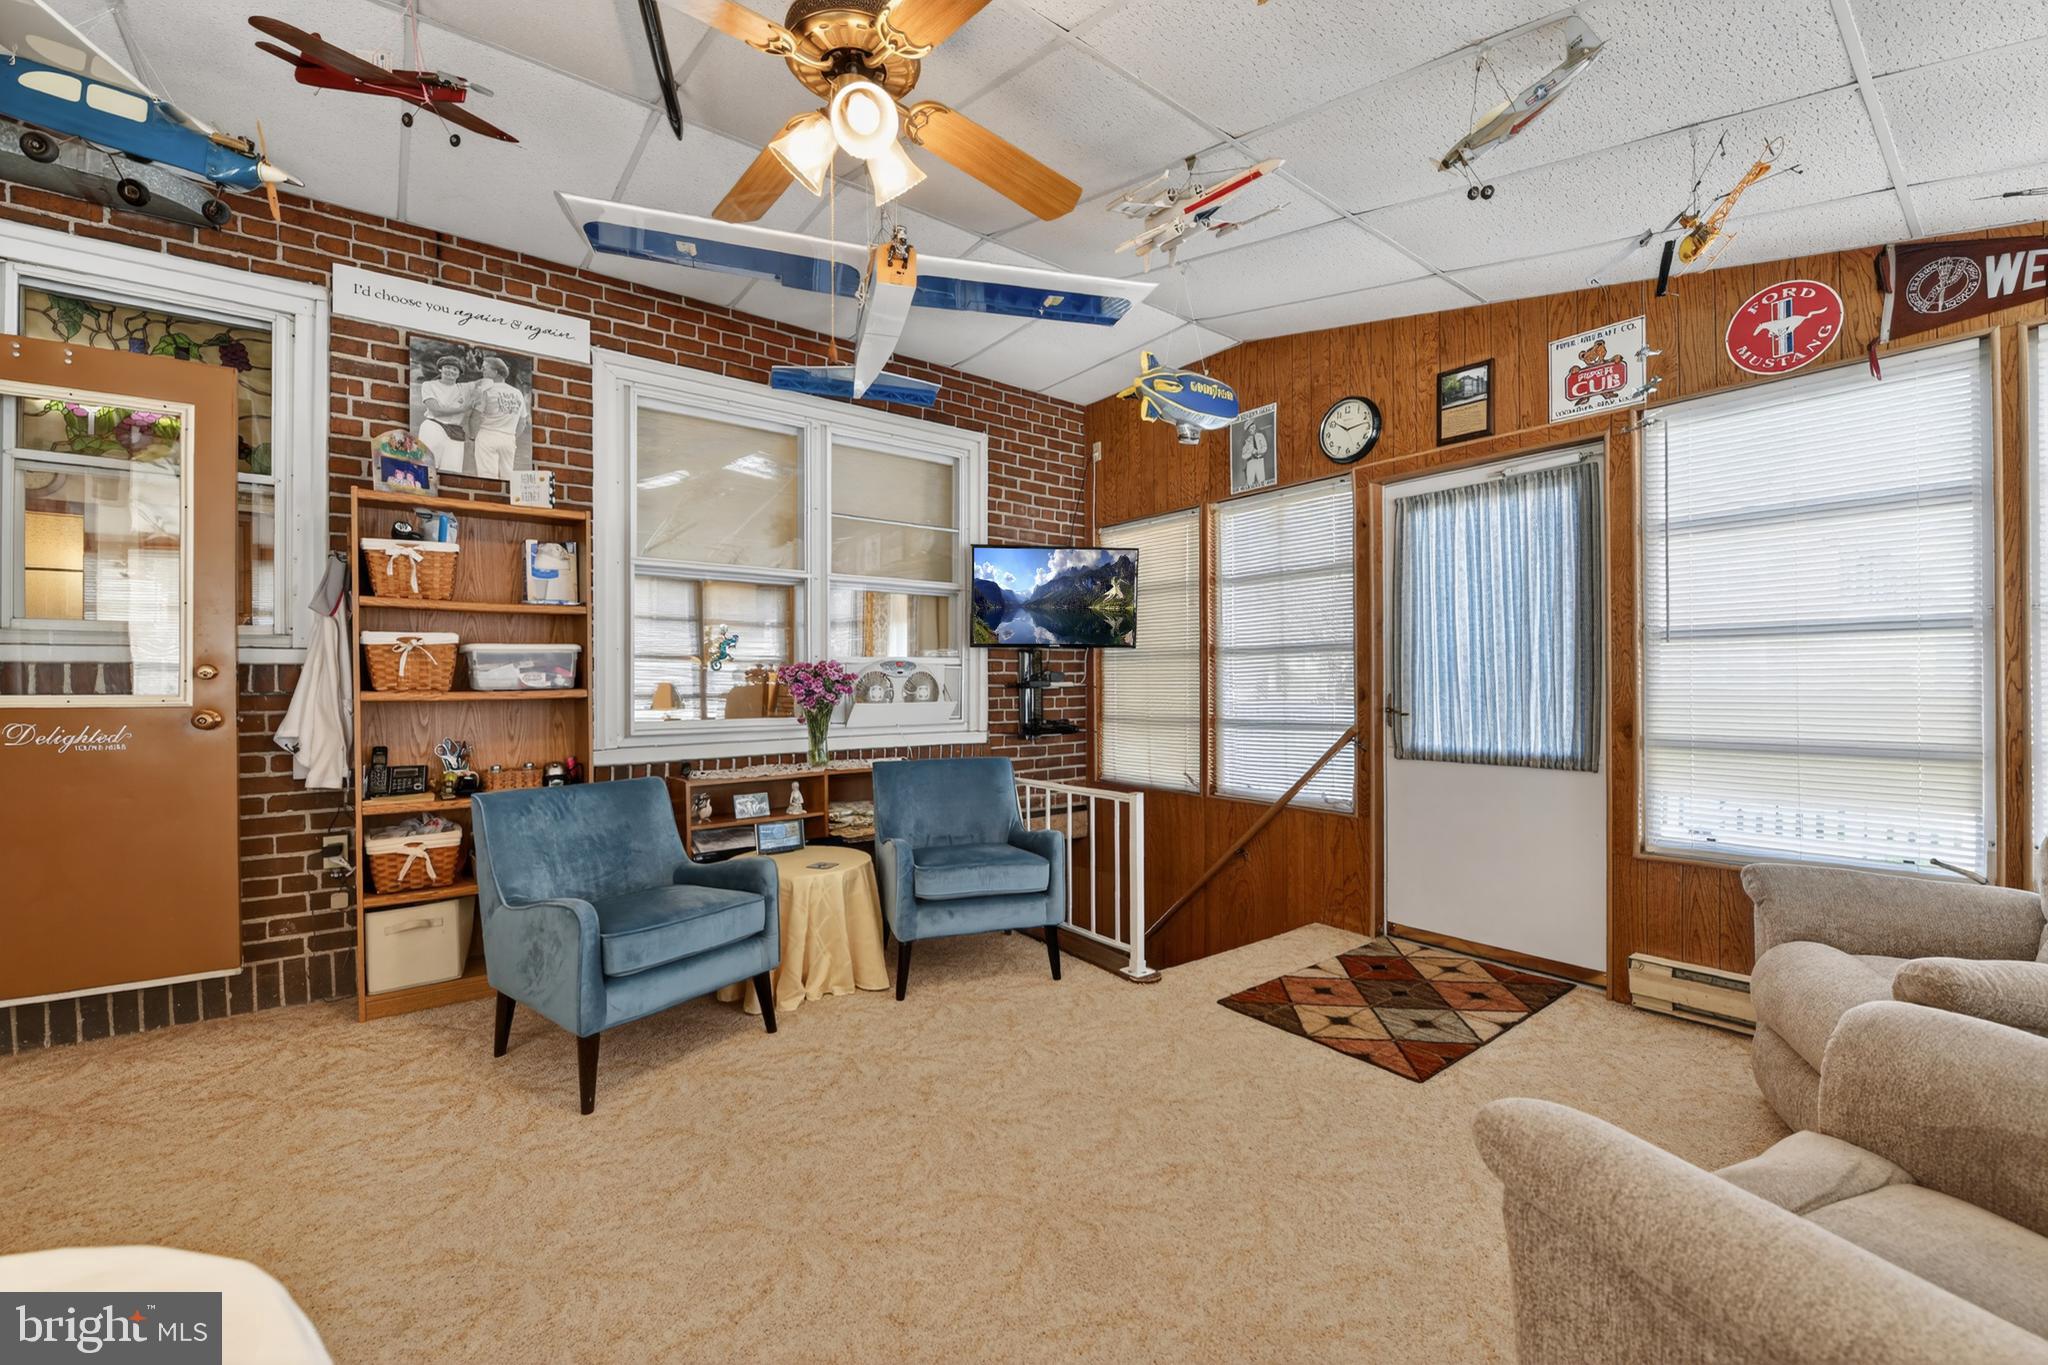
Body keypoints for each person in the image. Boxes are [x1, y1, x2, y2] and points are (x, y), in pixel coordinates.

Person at [469, 355, 530, 482]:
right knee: (507, 478)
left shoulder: (486, 390)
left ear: (495, 372)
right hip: (508, 439)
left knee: (487, 478)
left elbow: (475, 417)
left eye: (485, 368)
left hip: (487, 436)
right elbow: (522, 421)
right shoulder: (517, 393)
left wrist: (473, 437)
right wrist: (512, 437)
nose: (482, 370)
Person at [415, 354, 473, 473]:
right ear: (440, 369)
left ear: (459, 373)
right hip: (434, 426)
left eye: (454, 369)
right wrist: (462, 408)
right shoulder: (429, 385)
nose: (450, 371)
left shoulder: (464, 389)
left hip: (456, 432)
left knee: (452, 472)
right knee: (427, 467)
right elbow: (436, 410)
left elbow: (486, 385)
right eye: (447, 367)